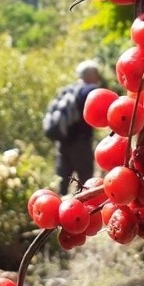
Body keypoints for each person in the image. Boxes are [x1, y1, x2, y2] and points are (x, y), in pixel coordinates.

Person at [54, 60, 102, 195]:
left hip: (62, 141)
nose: (98, 77)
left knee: (63, 179)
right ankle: (81, 205)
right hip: (81, 143)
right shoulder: (90, 91)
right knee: (85, 180)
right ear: (90, 75)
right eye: (96, 74)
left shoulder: (67, 90)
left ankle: (60, 203)